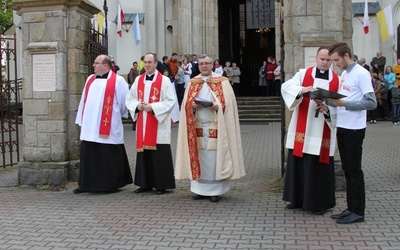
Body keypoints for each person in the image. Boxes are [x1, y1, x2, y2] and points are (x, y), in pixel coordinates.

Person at [175, 54, 246, 202]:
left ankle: (215, 191)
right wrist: (191, 106)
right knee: (200, 156)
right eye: (201, 64)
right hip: (197, 126)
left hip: (216, 125)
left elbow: (229, 104)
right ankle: (199, 190)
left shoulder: (223, 82)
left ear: (212, 64)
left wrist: (218, 106)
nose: (204, 66)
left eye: (207, 63)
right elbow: (185, 105)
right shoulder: (193, 83)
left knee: (214, 158)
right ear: (198, 65)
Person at [281, 46, 339, 215]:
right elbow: (286, 87)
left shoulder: (337, 80)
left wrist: (327, 109)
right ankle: (297, 199)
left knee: (318, 168)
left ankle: (319, 203)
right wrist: (302, 90)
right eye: (322, 59)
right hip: (302, 128)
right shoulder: (303, 74)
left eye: (328, 60)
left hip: (322, 128)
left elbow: (342, 106)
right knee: (298, 163)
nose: (325, 63)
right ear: (316, 58)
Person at [328, 42, 377, 224]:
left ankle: (358, 211)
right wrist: (326, 101)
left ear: (346, 55)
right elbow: (343, 98)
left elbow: (371, 102)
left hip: (355, 128)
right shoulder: (346, 74)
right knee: (347, 169)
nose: (335, 64)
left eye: (336, 60)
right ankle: (350, 208)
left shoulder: (361, 73)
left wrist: (345, 104)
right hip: (343, 126)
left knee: (355, 170)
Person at [74, 54, 133, 193]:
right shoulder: (90, 79)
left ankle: (108, 184)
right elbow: (84, 100)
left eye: (96, 63)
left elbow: (125, 101)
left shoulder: (118, 81)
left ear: (105, 65)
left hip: (108, 125)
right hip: (90, 125)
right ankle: (86, 184)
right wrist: (82, 120)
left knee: (106, 154)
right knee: (90, 154)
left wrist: (119, 115)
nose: (93, 65)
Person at [126, 52, 177, 195]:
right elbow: (129, 99)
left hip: (157, 123)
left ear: (156, 63)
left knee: (159, 154)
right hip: (143, 122)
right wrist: (138, 106)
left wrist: (153, 108)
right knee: (144, 154)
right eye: (145, 62)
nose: (147, 65)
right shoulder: (138, 80)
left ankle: (161, 184)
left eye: (150, 62)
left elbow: (171, 101)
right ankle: (144, 184)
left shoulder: (165, 81)